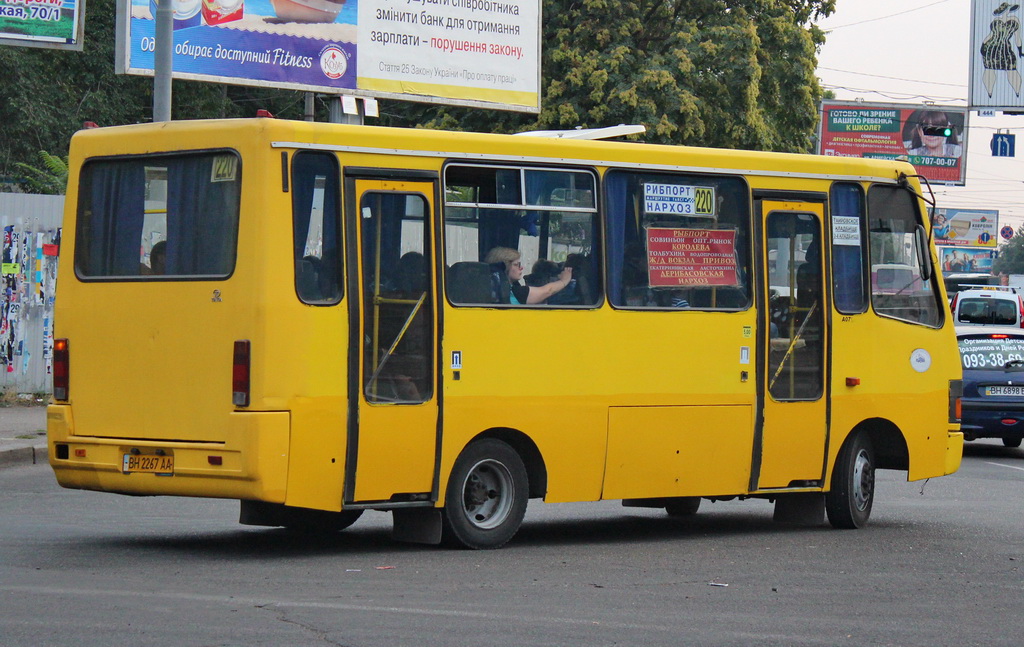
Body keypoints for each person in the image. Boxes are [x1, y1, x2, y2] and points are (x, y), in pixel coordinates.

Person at [484, 247, 572, 304]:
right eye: (516, 264)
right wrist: (564, 280)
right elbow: (548, 291)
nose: (521, 268)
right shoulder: (516, 292)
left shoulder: (489, 289)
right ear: (505, 267)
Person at [981, 2, 1022, 98]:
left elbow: (1017, 38)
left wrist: (1020, 50)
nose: (1008, 11)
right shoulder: (996, 21)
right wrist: (983, 45)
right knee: (989, 70)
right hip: (991, 49)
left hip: (1005, 49)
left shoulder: (1014, 21)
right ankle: (989, 92)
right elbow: (990, 35)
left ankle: (1017, 93)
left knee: (1012, 69)